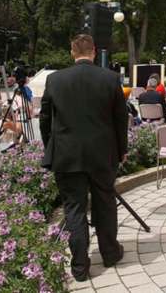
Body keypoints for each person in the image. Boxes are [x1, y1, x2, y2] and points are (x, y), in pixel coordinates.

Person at [40, 35, 127, 282]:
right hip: (103, 154)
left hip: (67, 155)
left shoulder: (54, 79)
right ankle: (110, 253)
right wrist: (122, 149)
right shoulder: (110, 78)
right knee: (105, 204)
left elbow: (44, 118)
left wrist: (51, 147)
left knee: (74, 210)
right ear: (94, 51)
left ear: (72, 52)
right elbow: (121, 118)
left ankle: (79, 267)